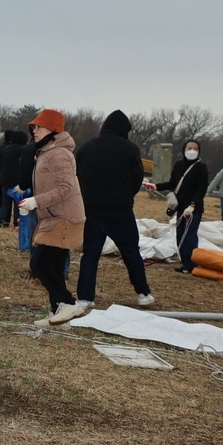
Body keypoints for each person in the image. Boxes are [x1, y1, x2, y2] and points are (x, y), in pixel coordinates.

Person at [74, 110, 153, 309]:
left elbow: (78, 175)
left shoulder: (87, 148)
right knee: (130, 252)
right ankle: (143, 293)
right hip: (120, 211)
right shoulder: (130, 149)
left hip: (92, 209)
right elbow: (137, 179)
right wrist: (125, 196)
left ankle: (85, 297)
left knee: (90, 254)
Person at [17, 110, 87, 326]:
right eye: (33, 127)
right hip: (53, 216)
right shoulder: (46, 151)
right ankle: (59, 312)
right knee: (52, 266)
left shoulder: (59, 154)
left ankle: (67, 304)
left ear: (53, 129)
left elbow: (66, 187)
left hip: (64, 217)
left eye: (38, 127)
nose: (34, 131)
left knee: (40, 264)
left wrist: (36, 201)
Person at [154, 139, 208, 273]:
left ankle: (191, 265)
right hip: (181, 208)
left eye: (195, 149)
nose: (192, 151)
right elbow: (172, 183)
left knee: (189, 237)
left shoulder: (201, 168)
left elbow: (201, 189)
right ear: (184, 150)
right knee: (180, 236)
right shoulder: (179, 165)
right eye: (189, 148)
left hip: (193, 210)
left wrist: (193, 205)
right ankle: (185, 263)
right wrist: (156, 186)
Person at [0, 130, 26, 227]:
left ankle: (1, 222)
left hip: (5, 180)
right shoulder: (23, 149)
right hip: (17, 181)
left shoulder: (6, 149)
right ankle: (17, 223)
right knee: (17, 204)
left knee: (5, 202)